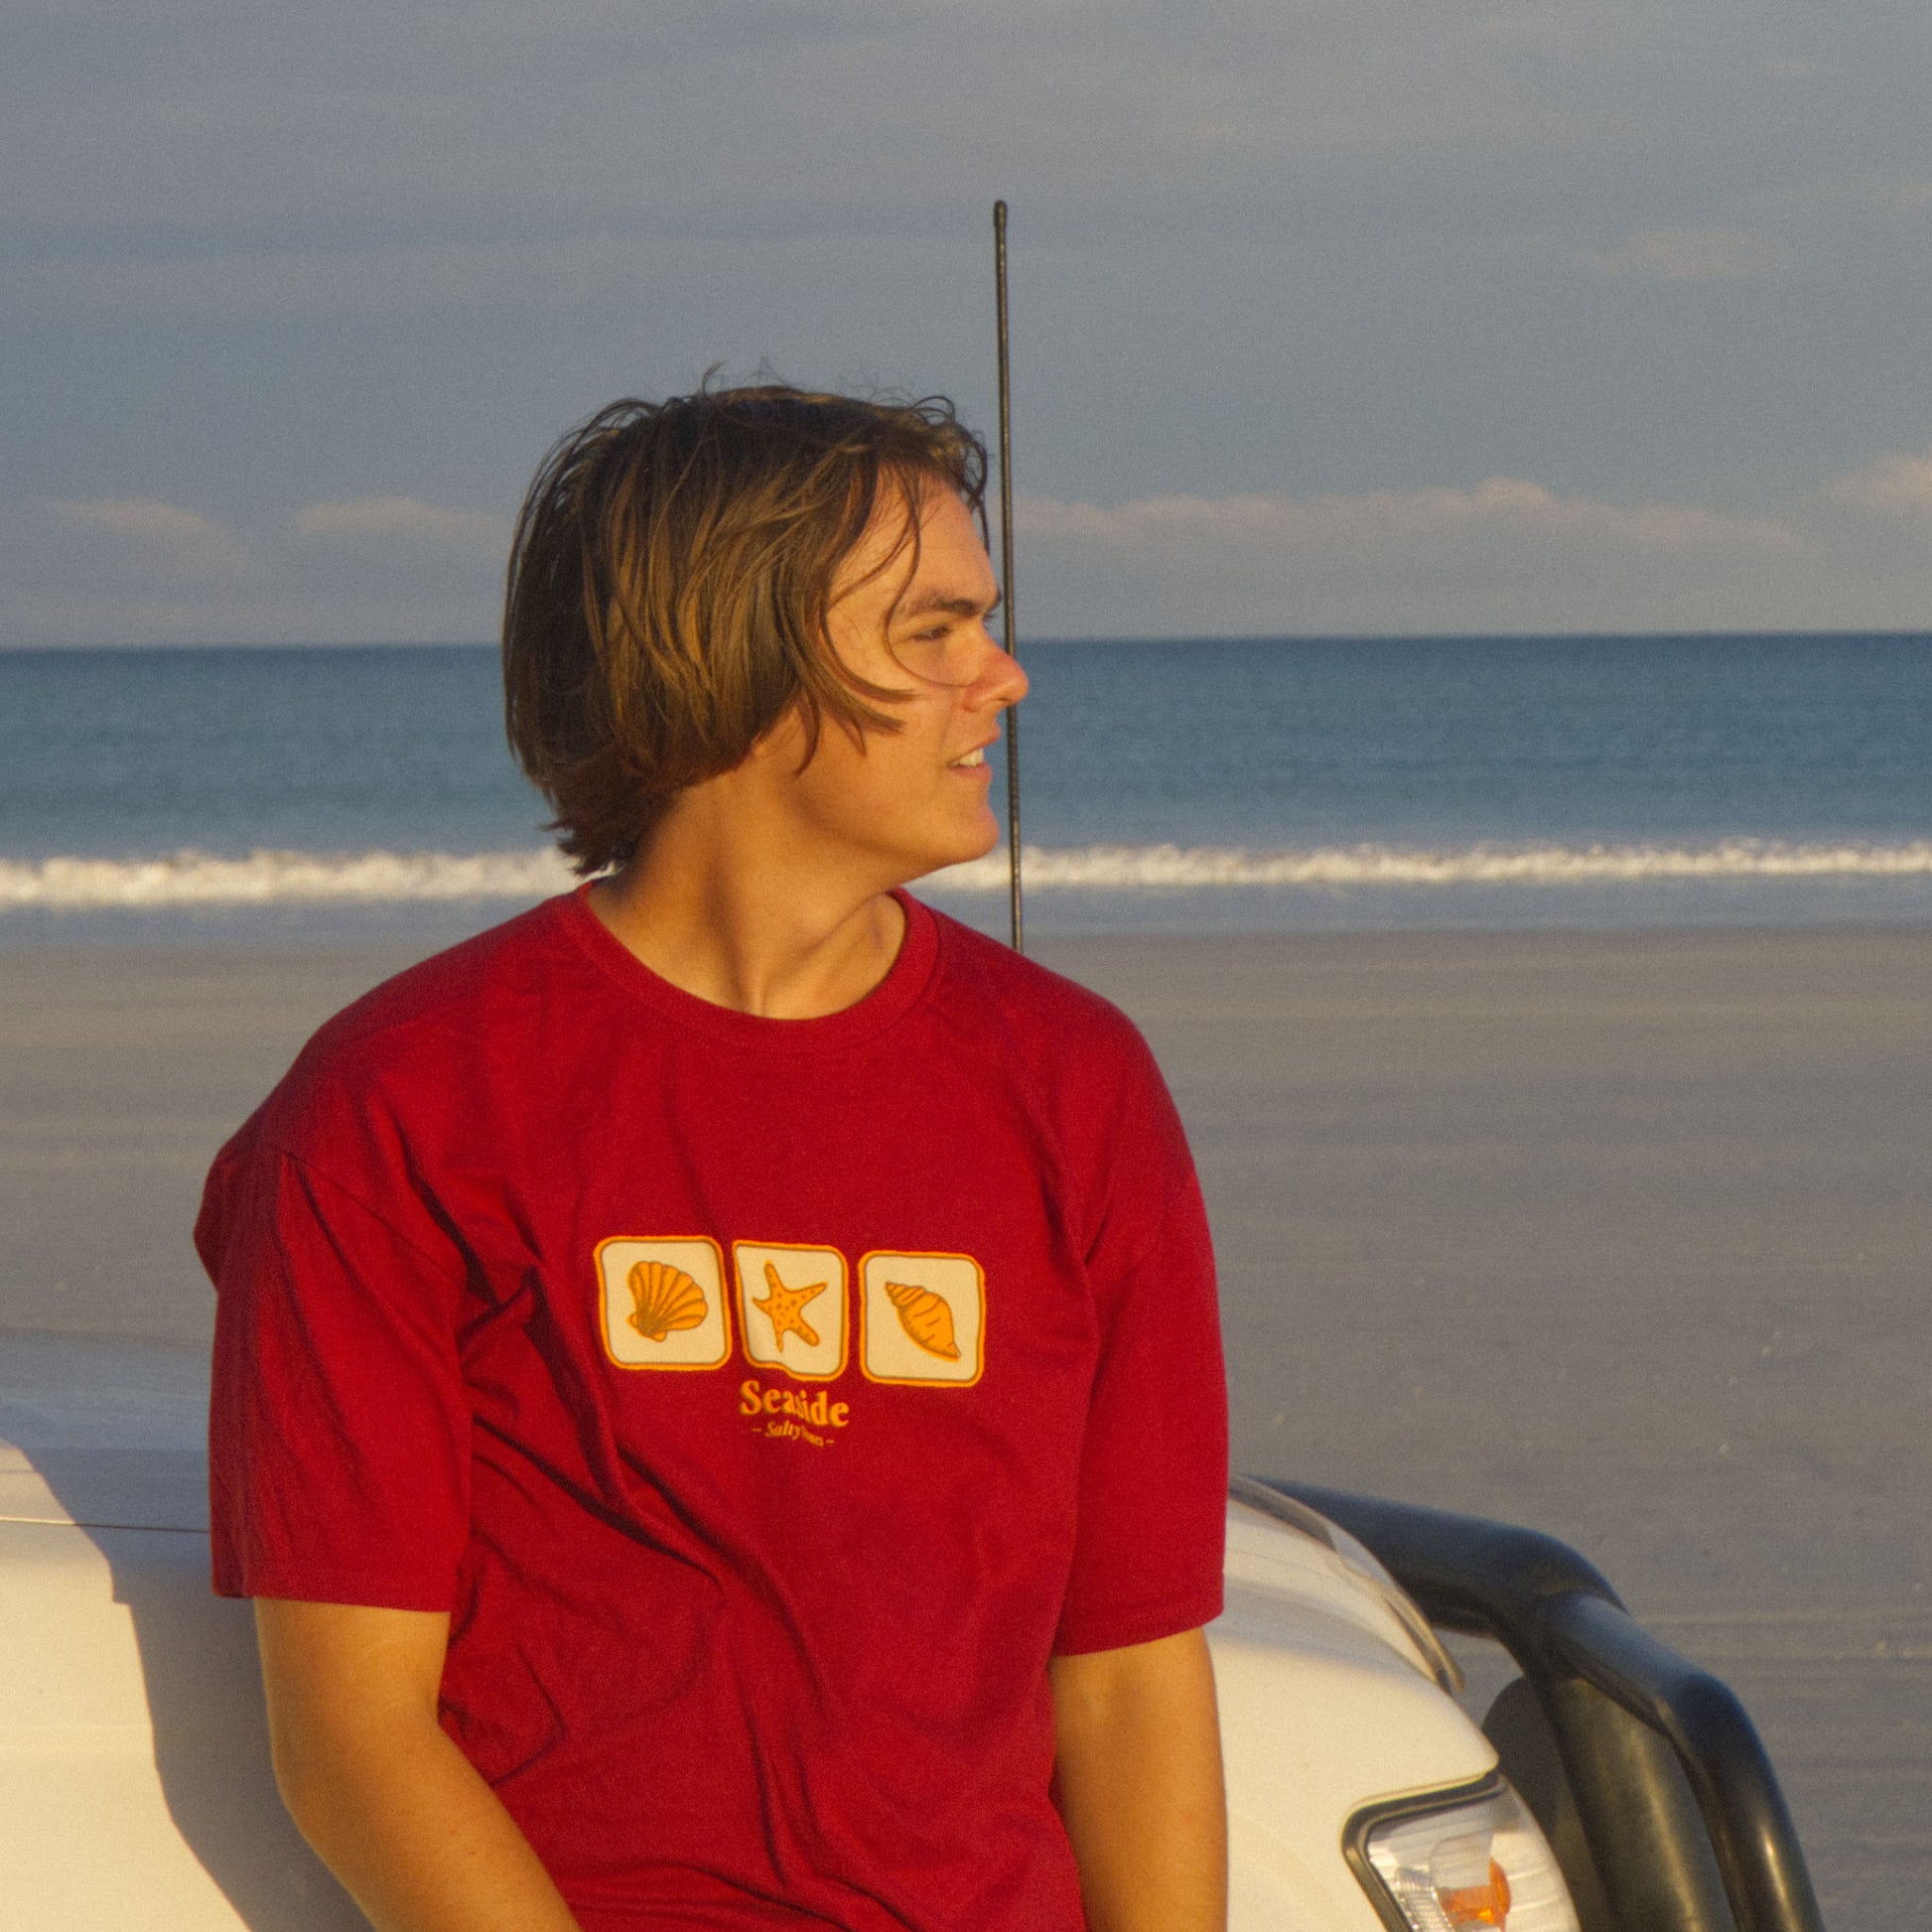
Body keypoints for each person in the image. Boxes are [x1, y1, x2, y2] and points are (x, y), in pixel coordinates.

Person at [197, 384, 1230, 1932]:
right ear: (734, 654)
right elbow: (349, 1730)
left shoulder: (1077, 1084)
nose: (1000, 678)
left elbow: (1133, 1671)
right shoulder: (397, 1105)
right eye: (933, 631)